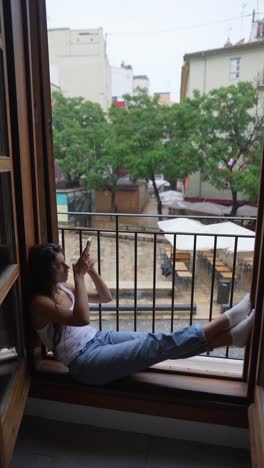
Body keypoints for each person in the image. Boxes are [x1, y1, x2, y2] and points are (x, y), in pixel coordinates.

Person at [29, 243, 255, 386]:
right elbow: (82, 319)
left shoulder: (63, 287)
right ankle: (227, 321)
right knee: (154, 345)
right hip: (84, 362)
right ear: (45, 271)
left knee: (156, 341)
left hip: (99, 339)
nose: (67, 267)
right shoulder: (40, 302)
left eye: (66, 263)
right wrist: (79, 276)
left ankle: (233, 338)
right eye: (60, 266)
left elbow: (105, 297)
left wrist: (90, 270)